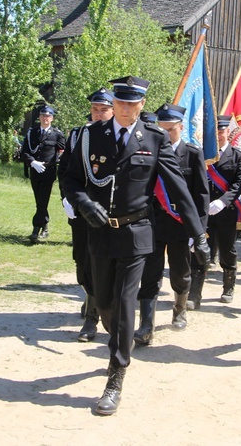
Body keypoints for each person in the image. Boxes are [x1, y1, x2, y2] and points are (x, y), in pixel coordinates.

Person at [63, 76, 210, 416]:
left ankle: (116, 375)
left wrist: (199, 235)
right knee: (104, 304)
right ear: (112, 103)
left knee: (126, 302)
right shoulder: (88, 137)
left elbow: (180, 192)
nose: (126, 109)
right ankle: (117, 339)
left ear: (142, 105)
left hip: (136, 235)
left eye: (133, 103)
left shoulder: (154, 139)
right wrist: (84, 202)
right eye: (120, 103)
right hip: (100, 233)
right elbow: (69, 177)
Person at [134, 102, 209, 344]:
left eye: (171, 130)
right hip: (153, 223)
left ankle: (180, 309)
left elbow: (201, 196)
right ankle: (146, 325)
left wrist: (197, 230)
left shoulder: (193, 154)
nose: (166, 134)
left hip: (180, 225)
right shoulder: (149, 149)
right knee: (150, 274)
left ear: (181, 127)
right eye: (162, 129)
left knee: (180, 273)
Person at [58, 88, 114, 342]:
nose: (99, 114)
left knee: (97, 263)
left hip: (107, 212)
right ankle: (91, 296)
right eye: (95, 109)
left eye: (104, 109)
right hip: (81, 209)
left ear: (113, 110)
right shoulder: (79, 135)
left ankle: (93, 317)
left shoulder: (119, 136)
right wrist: (66, 199)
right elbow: (66, 170)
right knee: (82, 264)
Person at [191, 115, 241, 305]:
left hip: (226, 211)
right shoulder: (202, 154)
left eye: (221, 131)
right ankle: (195, 294)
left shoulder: (238, 156)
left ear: (228, 133)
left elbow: (240, 182)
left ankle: (228, 287)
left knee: (227, 251)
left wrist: (222, 202)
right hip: (204, 212)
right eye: (215, 132)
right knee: (200, 250)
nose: (218, 135)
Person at [22, 105, 65, 244]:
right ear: (39, 118)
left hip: (48, 171)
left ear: (52, 118)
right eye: (43, 116)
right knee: (39, 201)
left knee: (43, 200)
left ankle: (36, 229)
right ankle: (45, 226)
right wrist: (32, 162)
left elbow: (63, 151)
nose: (45, 118)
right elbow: (25, 152)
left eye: (48, 116)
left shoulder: (57, 134)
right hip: (35, 169)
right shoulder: (32, 133)